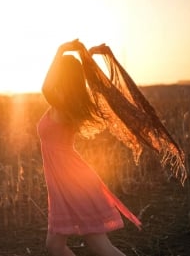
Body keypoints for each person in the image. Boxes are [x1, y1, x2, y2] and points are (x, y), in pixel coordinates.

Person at [37, 40, 143, 256]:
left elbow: (46, 87)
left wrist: (60, 51)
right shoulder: (67, 102)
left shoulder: (63, 104)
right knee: (54, 247)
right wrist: (85, 59)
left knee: (98, 245)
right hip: (64, 183)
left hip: (73, 182)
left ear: (62, 77)